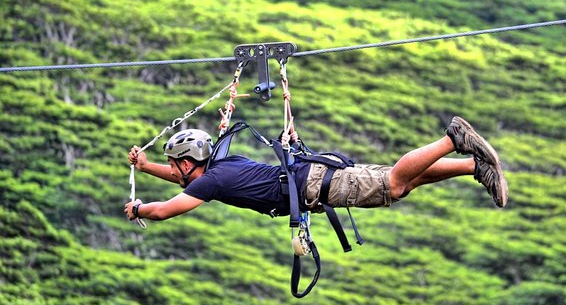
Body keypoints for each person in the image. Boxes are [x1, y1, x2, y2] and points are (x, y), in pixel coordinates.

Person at [123, 116, 508, 222]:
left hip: (315, 186)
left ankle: (452, 138)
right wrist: (145, 165)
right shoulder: (220, 167)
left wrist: (138, 209)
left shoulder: (212, 181)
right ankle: (473, 165)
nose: (175, 170)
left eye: (176, 164)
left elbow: (164, 209)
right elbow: (180, 178)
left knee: (393, 183)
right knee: (400, 186)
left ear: (189, 162)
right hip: (314, 179)